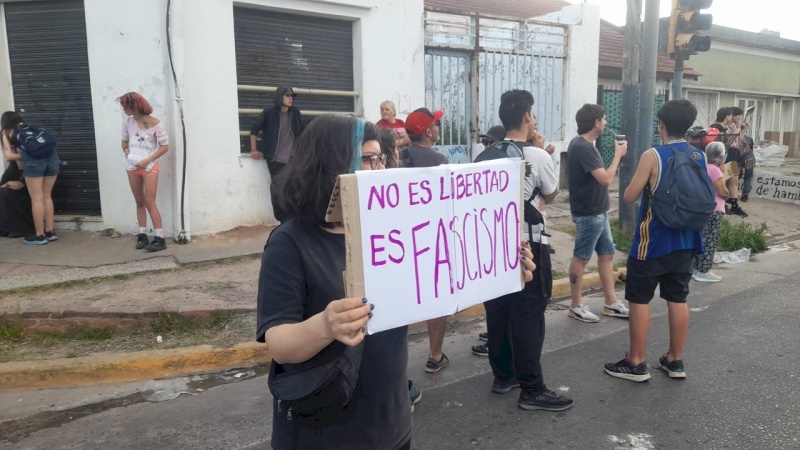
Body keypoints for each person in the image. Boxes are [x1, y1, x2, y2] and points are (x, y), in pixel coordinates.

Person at [473, 89, 573, 412]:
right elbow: (551, 193)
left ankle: (503, 376)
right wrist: (541, 151)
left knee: (498, 312)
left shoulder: (484, 156)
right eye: (534, 115)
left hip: (492, 248)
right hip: (528, 247)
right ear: (527, 117)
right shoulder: (537, 156)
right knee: (529, 315)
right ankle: (533, 388)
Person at [604, 99, 705, 382]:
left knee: (639, 299)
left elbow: (629, 196)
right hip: (687, 240)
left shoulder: (653, 155)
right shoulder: (699, 155)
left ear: (661, 125)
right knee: (678, 298)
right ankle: (675, 361)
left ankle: (636, 362)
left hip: (653, 242)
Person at [566, 104, 629, 323]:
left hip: (598, 212)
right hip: (589, 213)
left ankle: (611, 303)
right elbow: (606, 179)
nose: (606, 122)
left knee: (607, 254)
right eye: (603, 119)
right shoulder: (583, 147)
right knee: (581, 258)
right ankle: (576, 305)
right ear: (596, 122)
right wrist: (618, 155)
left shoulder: (584, 145)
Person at [401, 107, 451, 373]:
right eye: (436, 124)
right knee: (436, 297)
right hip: (430, 237)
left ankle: (396, 362)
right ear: (429, 132)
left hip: (400, 239)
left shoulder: (396, 157)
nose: (438, 128)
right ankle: (435, 354)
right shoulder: (439, 160)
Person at [471, 124, 507, 357]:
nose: (486, 146)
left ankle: (496, 339)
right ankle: (494, 333)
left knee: (499, 297)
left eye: (490, 142)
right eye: (485, 142)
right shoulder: (484, 162)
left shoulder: (508, 164)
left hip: (501, 240)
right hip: (485, 237)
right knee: (492, 296)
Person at [118, 93, 170, 252]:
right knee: (139, 201)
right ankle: (142, 235)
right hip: (132, 166)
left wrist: (148, 160)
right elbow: (124, 141)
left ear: (135, 106)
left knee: (149, 201)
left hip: (149, 167)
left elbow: (165, 146)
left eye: (126, 106)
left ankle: (160, 238)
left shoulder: (155, 124)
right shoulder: (128, 122)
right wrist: (127, 153)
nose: (124, 109)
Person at [1, 111, 59, 245]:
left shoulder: (6, 131)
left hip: (34, 163)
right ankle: (50, 232)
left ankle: (39, 235)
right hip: (52, 159)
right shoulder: (29, 127)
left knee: (37, 199)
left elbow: (9, 156)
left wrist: (27, 155)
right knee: (47, 196)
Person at [249, 86, 303, 223]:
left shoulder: (295, 113)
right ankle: (282, 219)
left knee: (294, 188)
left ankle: (293, 219)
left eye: (292, 96)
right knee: (278, 190)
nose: (291, 98)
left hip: (293, 159)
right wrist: (253, 150)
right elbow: (254, 129)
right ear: (280, 97)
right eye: (288, 95)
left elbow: (302, 131)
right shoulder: (269, 113)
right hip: (275, 159)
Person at [692, 142, 729, 283]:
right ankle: (703, 271)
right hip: (714, 209)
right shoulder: (715, 170)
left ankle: (696, 268)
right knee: (709, 241)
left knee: (701, 239)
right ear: (720, 157)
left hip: (703, 208)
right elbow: (723, 192)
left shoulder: (701, 167)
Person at [0, 154, 34, 238]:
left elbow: (22, 185)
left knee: (6, 193)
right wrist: (7, 184)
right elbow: (2, 185)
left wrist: (20, 184)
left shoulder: (32, 166)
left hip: (29, 200)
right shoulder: (12, 168)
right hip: (12, 200)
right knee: (4, 193)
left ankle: (21, 228)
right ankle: (5, 228)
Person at [728, 107, 754, 209]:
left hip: (741, 156)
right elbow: (735, 140)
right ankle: (729, 199)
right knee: (731, 178)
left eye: (740, 115)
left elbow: (740, 139)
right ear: (731, 116)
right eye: (737, 115)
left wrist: (743, 129)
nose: (739, 117)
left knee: (737, 178)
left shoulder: (737, 127)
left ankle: (739, 199)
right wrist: (739, 129)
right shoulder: (729, 127)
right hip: (732, 156)